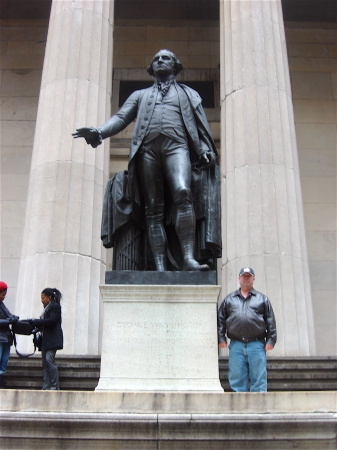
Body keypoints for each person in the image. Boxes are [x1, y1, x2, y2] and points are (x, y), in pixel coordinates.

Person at [73, 49, 221, 272]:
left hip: (177, 147)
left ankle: (188, 258)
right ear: (152, 68)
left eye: (166, 58)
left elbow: (199, 127)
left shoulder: (188, 94)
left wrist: (205, 149)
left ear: (175, 66)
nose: (160, 60)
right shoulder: (140, 95)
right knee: (153, 208)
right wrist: (100, 132)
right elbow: (122, 117)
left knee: (182, 191)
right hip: (147, 152)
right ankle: (159, 266)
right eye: (156, 59)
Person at [218, 267, 277, 392]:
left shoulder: (262, 299)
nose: (246, 279)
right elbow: (221, 319)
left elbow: (270, 320)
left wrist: (271, 340)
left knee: (259, 377)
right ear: (239, 279)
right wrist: (221, 338)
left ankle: (259, 405)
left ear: (253, 279)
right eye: (244, 276)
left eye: (248, 276)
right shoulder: (229, 299)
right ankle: (240, 406)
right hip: (236, 344)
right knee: (236, 376)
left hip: (257, 344)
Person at [29, 288, 63, 390]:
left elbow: (51, 321)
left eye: (43, 298)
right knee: (44, 362)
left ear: (49, 298)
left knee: (49, 359)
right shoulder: (46, 308)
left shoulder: (55, 307)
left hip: (53, 338)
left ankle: (54, 385)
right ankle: (46, 384)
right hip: (46, 338)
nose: (41, 300)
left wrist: (37, 322)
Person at [0, 281, 19, 388]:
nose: (4, 297)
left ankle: (1, 381)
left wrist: (14, 318)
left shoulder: (2, 305)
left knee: (4, 361)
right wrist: (9, 321)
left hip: (6, 337)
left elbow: (9, 315)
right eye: (3, 295)